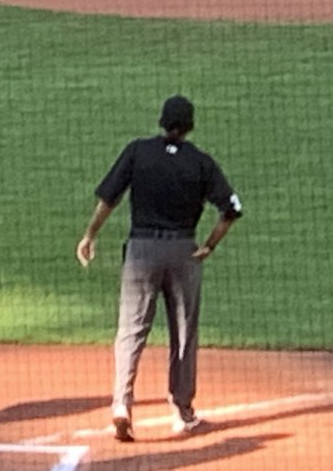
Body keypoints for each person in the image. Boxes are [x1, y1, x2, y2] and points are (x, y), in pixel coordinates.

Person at [76, 96, 243, 442]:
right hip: (184, 252)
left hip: (141, 251)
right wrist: (209, 245)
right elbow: (230, 209)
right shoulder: (200, 162)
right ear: (190, 125)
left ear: (162, 121)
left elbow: (109, 198)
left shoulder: (138, 151)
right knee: (183, 332)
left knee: (130, 330)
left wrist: (90, 234)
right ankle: (182, 411)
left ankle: (122, 404)